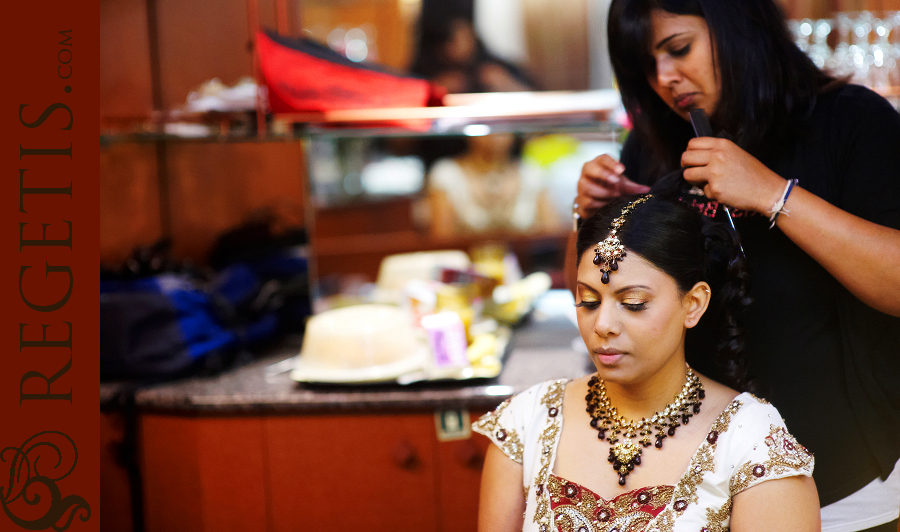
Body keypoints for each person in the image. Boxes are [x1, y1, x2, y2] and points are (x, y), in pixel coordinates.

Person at [568, 1, 900, 530]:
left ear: (738, 26)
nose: (664, 79)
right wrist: (592, 216)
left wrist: (772, 194)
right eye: (645, 67)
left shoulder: (850, 121)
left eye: (679, 50)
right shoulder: (659, 144)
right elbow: (595, 293)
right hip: (694, 486)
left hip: (841, 481)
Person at [474, 194, 820, 532]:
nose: (603, 325)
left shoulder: (751, 441)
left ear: (694, 304)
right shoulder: (527, 421)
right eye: (590, 301)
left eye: (634, 303)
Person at [427, 132, 562, 237]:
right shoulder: (447, 174)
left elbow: (553, 234)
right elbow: (441, 239)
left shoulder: (532, 173)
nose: (495, 134)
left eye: (503, 126)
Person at [408, 16, 535, 95]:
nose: (465, 43)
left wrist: (506, 84)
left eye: (467, 36)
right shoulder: (427, 69)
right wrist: (434, 88)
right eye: (455, 39)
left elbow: (536, 98)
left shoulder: (493, 65)